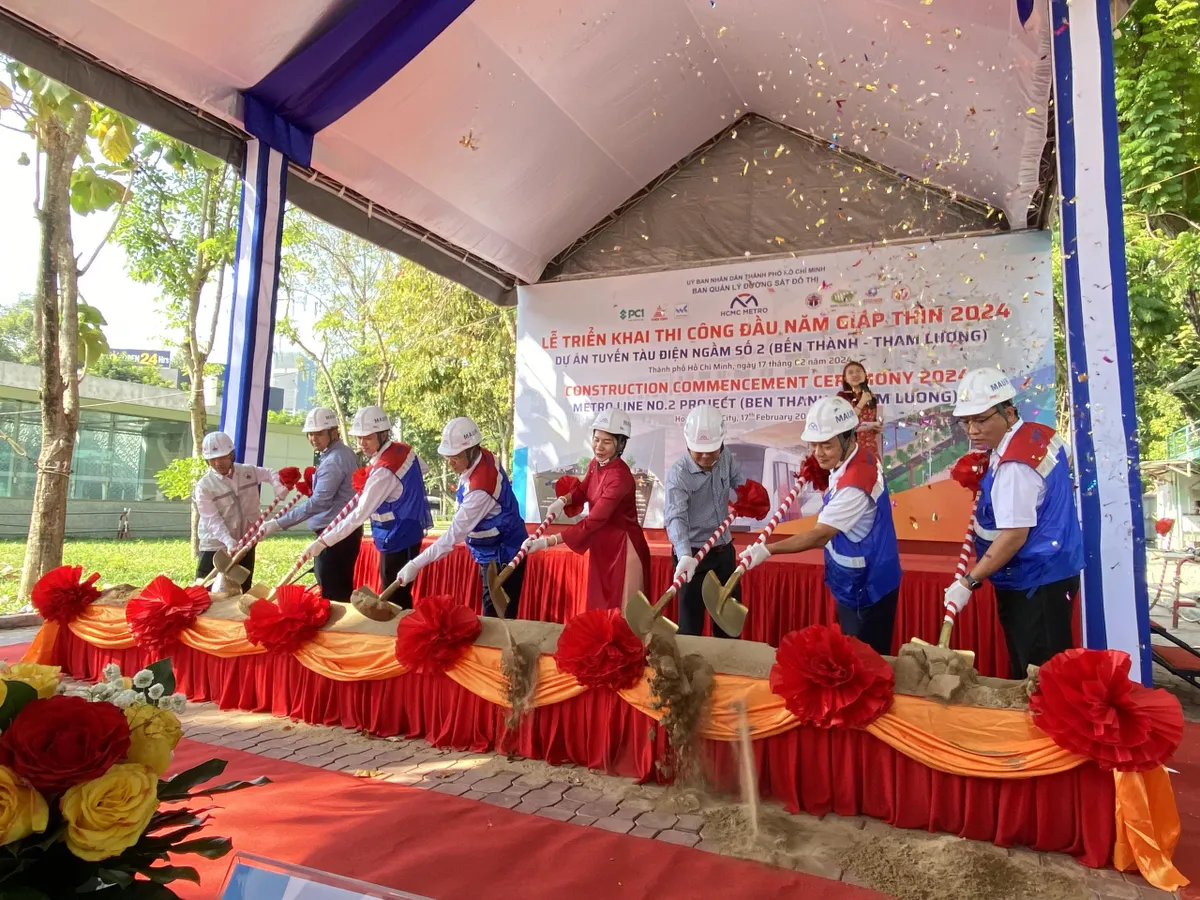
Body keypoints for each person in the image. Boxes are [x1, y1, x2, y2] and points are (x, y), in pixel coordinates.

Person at [943, 368, 1084, 679]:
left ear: (1007, 412)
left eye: (980, 420)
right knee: (1047, 669)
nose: (972, 430)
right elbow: (1065, 470)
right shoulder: (1040, 433)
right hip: (1054, 572)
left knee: (1037, 677)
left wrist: (969, 581)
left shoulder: (1015, 467)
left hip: (1034, 581)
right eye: (966, 421)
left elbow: (1014, 536)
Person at [738, 396, 901, 654]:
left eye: (826, 445)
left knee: (866, 664)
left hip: (867, 588)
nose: (818, 453)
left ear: (850, 438)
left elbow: (819, 536)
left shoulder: (855, 485)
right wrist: (821, 462)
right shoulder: (857, 457)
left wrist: (768, 549)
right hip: (854, 580)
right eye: (814, 445)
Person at [397, 417, 528, 617]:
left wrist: (415, 564)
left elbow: (452, 537)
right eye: (447, 457)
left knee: (497, 619)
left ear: (472, 450)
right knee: (494, 615)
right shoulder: (481, 458)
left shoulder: (481, 488)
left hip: (503, 556)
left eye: (455, 458)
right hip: (491, 551)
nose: (450, 464)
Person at [523, 408, 651, 611]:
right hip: (603, 546)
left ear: (621, 444)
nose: (599, 447)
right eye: (596, 439)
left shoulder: (620, 478)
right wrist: (563, 500)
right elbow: (583, 490)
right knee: (600, 606)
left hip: (623, 548)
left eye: (606, 442)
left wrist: (548, 541)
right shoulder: (596, 464)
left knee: (623, 610)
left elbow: (594, 520)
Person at [308, 405, 432, 609]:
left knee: (395, 597)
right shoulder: (403, 450)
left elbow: (358, 515)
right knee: (396, 590)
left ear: (383, 435)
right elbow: (423, 469)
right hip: (405, 530)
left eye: (367, 438)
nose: (361, 443)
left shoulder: (384, 470)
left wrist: (324, 541)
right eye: (359, 437)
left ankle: (400, 636)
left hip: (398, 535)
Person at [258, 407, 360, 601]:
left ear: (334, 432)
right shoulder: (339, 454)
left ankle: (335, 631)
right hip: (340, 532)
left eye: (319, 433)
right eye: (310, 434)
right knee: (335, 587)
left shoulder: (334, 460)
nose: (314, 438)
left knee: (333, 594)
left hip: (334, 535)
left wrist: (278, 523)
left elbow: (319, 503)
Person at [664, 404, 745, 637]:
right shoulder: (679, 474)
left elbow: (737, 481)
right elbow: (675, 517)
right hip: (691, 556)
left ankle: (727, 667)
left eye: (712, 449)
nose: (706, 456)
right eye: (699, 450)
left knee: (728, 623)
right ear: (688, 443)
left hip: (723, 552)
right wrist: (684, 554)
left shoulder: (726, 456)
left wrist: (749, 496)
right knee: (690, 626)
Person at [194, 431, 285, 592]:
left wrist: (278, 486)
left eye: (222, 457)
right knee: (207, 592)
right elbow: (211, 520)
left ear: (232, 454)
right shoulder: (204, 486)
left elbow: (270, 473)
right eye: (212, 459)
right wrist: (227, 540)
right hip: (215, 546)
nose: (218, 463)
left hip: (246, 541)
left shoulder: (247, 472)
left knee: (241, 588)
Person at [838, 360, 883, 457]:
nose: (855, 374)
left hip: (870, 449)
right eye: (851, 372)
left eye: (858, 371)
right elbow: (844, 423)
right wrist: (862, 402)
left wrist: (877, 428)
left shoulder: (871, 396)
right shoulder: (841, 397)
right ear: (845, 378)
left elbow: (871, 421)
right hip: (851, 450)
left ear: (865, 375)